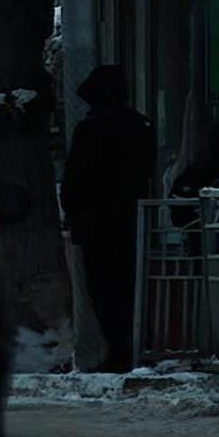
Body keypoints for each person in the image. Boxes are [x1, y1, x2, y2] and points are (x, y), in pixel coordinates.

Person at [60, 65, 154, 371]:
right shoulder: (141, 126)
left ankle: (117, 351)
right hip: (132, 220)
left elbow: (75, 178)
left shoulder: (90, 129)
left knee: (103, 289)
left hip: (97, 223)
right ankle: (134, 347)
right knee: (130, 287)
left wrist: (73, 212)